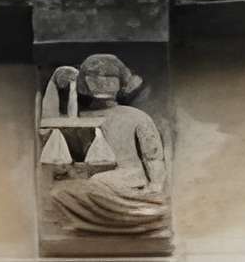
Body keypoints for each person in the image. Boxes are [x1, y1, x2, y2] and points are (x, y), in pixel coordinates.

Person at [45, 54, 168, 237]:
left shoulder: (136, 116)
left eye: (109, 77)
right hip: (89, 180)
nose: (102, 82)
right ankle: (103, 221)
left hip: (128, 176)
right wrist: (55, 82)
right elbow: (49, 128)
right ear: (84, 82)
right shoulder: (80, 118)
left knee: (97, 183)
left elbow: (153, 157)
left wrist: (156, 186)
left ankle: (141, 213)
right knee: (58, 193)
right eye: (93, 77)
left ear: (121, 81)